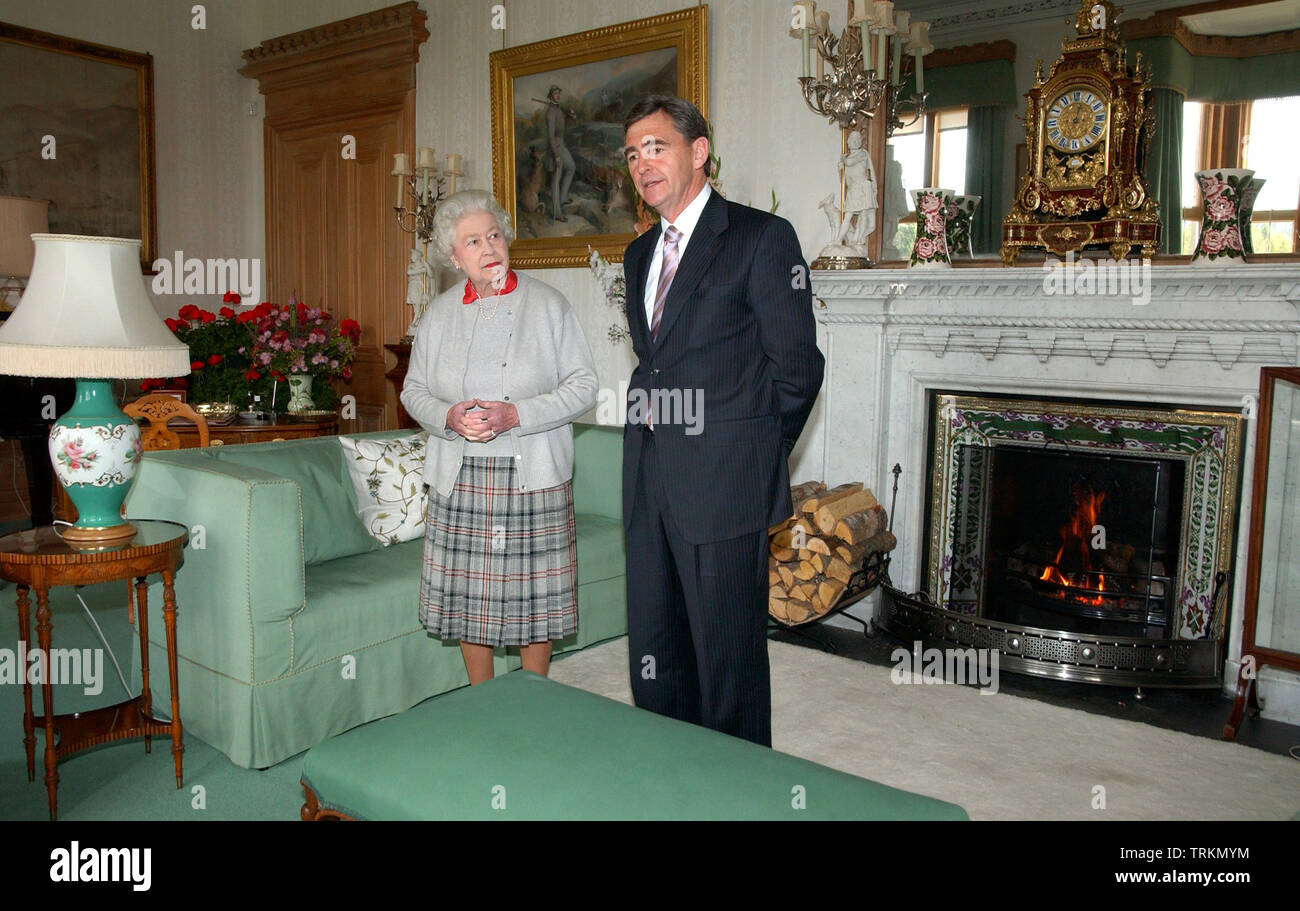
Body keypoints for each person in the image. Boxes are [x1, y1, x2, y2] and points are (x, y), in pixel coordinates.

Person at [620, 95, 825, 746]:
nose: (642, 163)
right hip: (650, 480)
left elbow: (798, 368)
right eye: (631, 154)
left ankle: (741, 798)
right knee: (656, 654)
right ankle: (674, 778)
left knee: (728, 665)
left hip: (724, 488)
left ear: (698, 151)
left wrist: (749, 456)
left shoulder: (763, 239)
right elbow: (655, 363)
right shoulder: (636, 255)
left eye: (656, 147)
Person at [401, 189, 598, 684]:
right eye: (473, 241)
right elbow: (413, 391)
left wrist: (519, 415)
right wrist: (448, 417)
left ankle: (533, 695)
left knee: (535, 600)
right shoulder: (438, 314)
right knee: (472, 600)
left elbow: (585, 387)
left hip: (533, 474)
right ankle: (480, 699)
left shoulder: (549, 305)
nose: (489, 248)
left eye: (494, 235)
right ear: (454, 256)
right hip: (461, 476)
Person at [836, 130, 878, 247]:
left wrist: (843, 159)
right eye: (851, 140)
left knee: (864, 215)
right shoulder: (847, 158)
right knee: (847, 216)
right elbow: (844, 181)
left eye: (856, 139)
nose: (853, 142)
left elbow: (850, 162)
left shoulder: (862, 154)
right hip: (853, 189)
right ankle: (838, 239)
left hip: (863, 188)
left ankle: (858, 239)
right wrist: (840, 170)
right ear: (848, 142)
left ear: (859, 142)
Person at [546, 85, 576, 222]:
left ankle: (562, 199)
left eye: (559, 93)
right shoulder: (551, 112)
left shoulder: (559, 109)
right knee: (556, 179)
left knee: (571, 167)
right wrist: (556, 155)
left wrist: (570, 114)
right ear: (551, 95)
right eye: (555, 93)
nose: (558, 95)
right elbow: (551, 135)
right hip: (555, 147)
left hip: (562, 144)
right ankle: (557, 213)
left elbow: (565, 124)